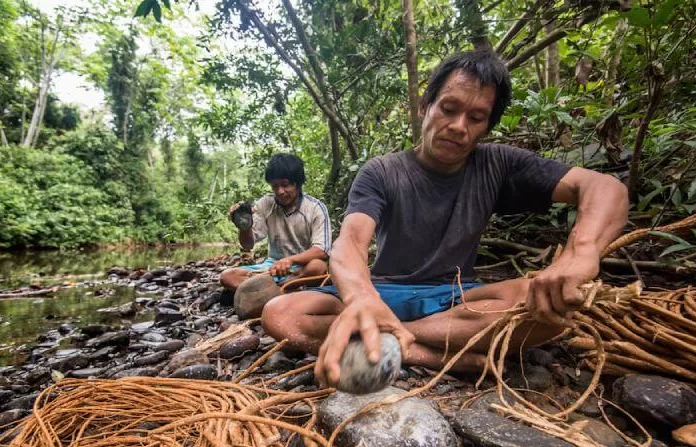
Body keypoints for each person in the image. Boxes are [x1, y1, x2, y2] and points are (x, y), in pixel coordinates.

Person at [260, 50, 629, 389]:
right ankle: (441, 353)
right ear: (425, 106)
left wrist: (581, 253)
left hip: (458, 298)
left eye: (476, 117)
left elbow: (605, 187)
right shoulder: (381, 172)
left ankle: (395, 340)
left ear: (487, 126)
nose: (458, 125)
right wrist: (361, 298)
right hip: (385, 291)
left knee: (548, 311)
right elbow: (351, 242)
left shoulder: (498, 164)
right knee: (282, 312)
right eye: (448, 108)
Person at [220, 153, 331, 292]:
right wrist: (244, 227)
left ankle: (264, 291)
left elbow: (322, 251)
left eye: (285, 185)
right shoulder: (266, 204)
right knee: (228, 276)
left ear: (297, 183)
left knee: (318, 266)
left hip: (301, 267)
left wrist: (290, 260)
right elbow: (248, 244)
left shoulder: (315, 208)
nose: (280, 191)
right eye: (275, 186)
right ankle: (283, 289)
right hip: (271, 268)